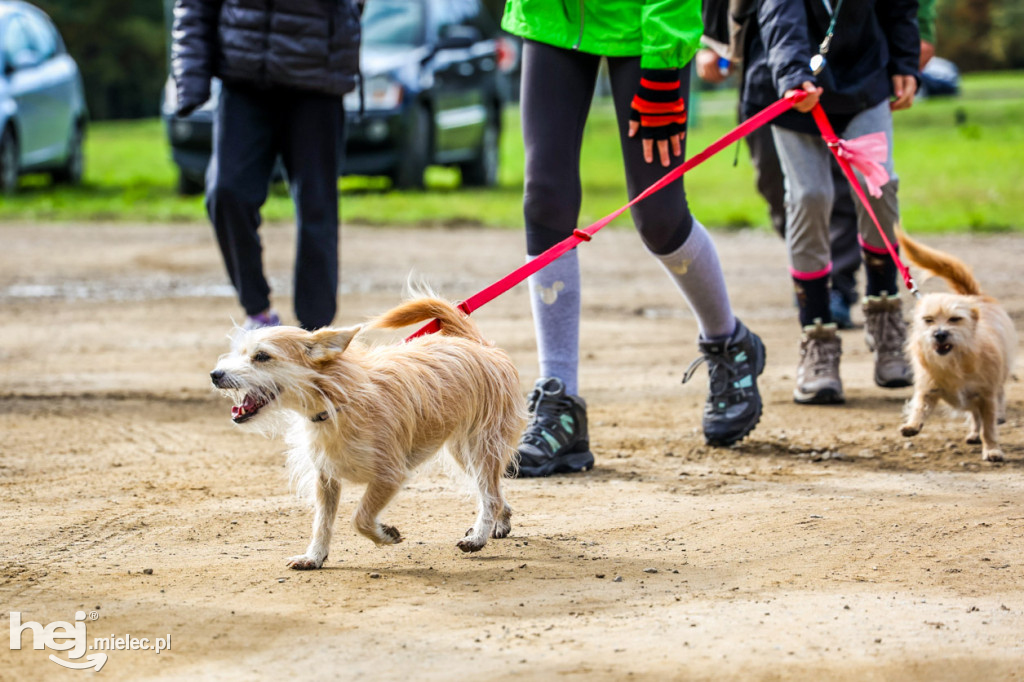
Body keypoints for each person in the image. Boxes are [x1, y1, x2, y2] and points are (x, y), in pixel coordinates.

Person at [500, 0, 767, 477]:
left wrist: (664, 61)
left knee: (658, 215)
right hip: (552, 18)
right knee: (544, 199)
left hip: (646, 25)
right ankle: (560, 400)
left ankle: (729, 341)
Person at [697, 0, 936, 330]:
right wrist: (713, 39)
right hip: (774, 63)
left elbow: (905, 9)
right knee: (798, 192)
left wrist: (907, 55)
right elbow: (780, 14)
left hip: (860, 67)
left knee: (868, 186)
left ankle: (846, 291)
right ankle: (815, 295)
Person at [742, 0, 919, 405]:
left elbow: (902, 7)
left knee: (880, 185)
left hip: (864, 77)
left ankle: (885, 314)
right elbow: (778, 14)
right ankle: (817, 336)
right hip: (789, 85)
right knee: (809, 196)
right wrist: (792, 75)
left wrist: (906, 62)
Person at [170, 0, 362, 331]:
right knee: (225, 192)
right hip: (243, 77)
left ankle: (314, 334)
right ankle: (258, 313)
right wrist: (190, 77)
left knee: (317, 208)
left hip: (317, 78)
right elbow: (194, 6)